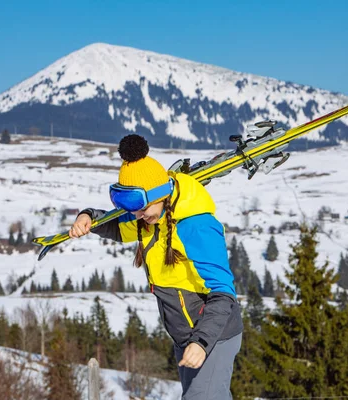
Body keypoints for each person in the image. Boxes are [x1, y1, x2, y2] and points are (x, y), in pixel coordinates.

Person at [69, 134, 243, 399]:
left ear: (160, 193)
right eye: (133, 209)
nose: (139, 216)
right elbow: (117, 226)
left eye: (142, 208)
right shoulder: (149, 218)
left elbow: (223, 293)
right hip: (185, 336)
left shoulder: (196, 225)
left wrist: (202, 341)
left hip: (213, 335)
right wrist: (88, 216)